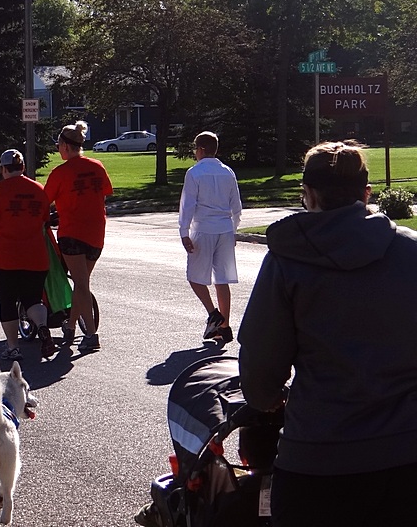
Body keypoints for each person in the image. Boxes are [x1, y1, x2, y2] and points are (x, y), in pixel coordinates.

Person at [238, 141, 417, 526]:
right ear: (366, 193)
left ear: (309, 194)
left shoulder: (287, 261)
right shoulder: (410, 252)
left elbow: (262, 362)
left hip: (319, 456)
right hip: (407, 451)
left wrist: (265, 399)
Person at [0, 149, 53, 360]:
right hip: (36, 256)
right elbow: (45, 221)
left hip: (5, 257)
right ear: (23, 168)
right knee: (33, 299)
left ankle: (13, 347)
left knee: (7, 302)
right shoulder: (39, 189)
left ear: (3, 169)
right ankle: (43, 327)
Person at [44, 121, 113, 353]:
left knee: (82, 284)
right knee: (81, 284)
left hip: (72, 233)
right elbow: (102, 196)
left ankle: (91, 335)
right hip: (96, 233)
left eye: (58, 145)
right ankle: (70, 327)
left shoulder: (60, 173)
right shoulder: (97, 166)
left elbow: (44, 202)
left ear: (65, 145)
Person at [178, 131, 243, 344]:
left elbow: (188, 205)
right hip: (224, 228)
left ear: (200, 149)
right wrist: (233, 229)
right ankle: (224, 326)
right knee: (222, 279)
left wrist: (184, 231)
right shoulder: (228, 172)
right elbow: (236, 206)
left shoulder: (195, 173)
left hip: (204, 227)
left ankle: (213, 313)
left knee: (195, 276)